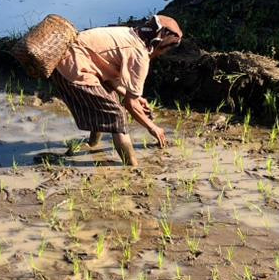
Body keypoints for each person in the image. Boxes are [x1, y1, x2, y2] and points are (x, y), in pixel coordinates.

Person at [50, 15, 183, 166]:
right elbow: (130, 104)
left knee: (108, 102)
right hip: (72, 69)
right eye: (165, 50)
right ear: (160, 45)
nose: (162, 54)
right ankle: (131, 166)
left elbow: (109, 74)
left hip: (74, 62)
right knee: (117, 114)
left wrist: (134, 97)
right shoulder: (139, 55)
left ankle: (92, 144)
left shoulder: (129, 34)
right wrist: (152, 127)